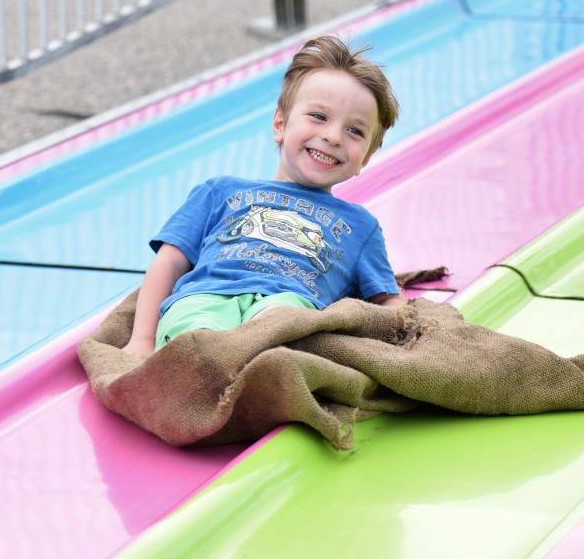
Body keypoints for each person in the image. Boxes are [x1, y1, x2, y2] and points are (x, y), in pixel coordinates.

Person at [122, 35, 406, 358]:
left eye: (355, 131)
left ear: (365, 158)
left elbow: (387, 302)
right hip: (208, 293)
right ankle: (201, 364)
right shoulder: (220, 192)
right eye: (318, 116)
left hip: (288, 304)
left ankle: (260, 370)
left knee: (285, 324)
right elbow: (169, 262)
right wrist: (141, 340)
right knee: (195, 331)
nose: (332, 137)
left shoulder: (361, 227)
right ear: (280, 124)